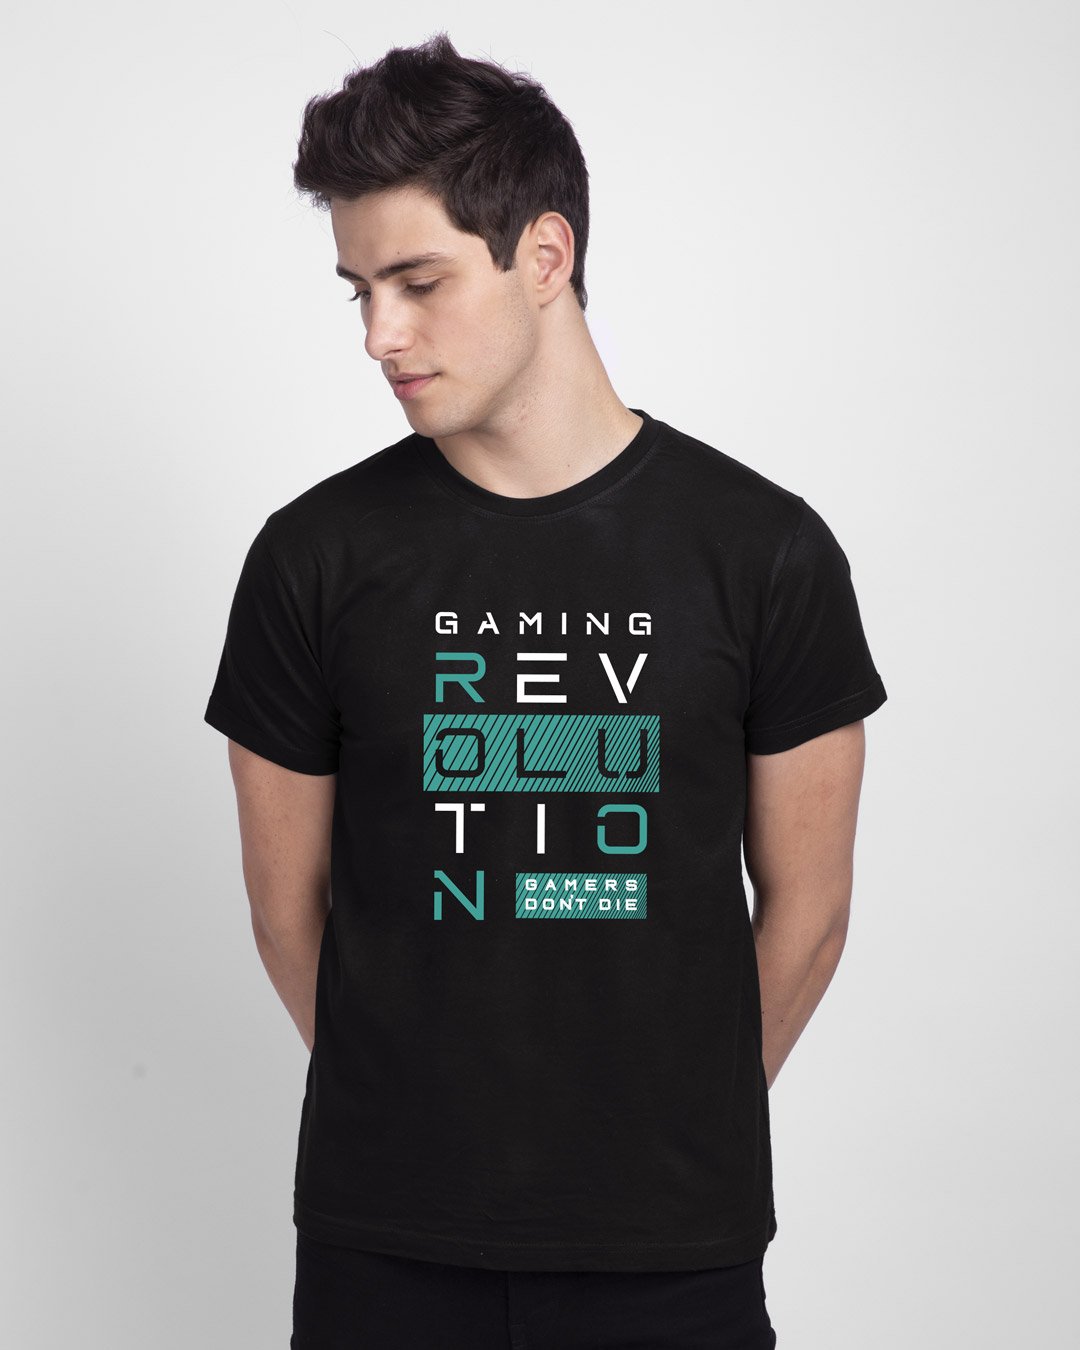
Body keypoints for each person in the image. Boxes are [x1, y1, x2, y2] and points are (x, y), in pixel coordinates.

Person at [204, 31, 887, 1350]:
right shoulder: (312, 558)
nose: (380, 336)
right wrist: (423, 1125)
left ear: (545, 255)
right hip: (382, 1249)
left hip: (672, 1256)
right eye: (358, 291)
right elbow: (289, 911)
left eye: (418, 282)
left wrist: (669, 1127)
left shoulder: (764, 552)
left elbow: (809, 913)